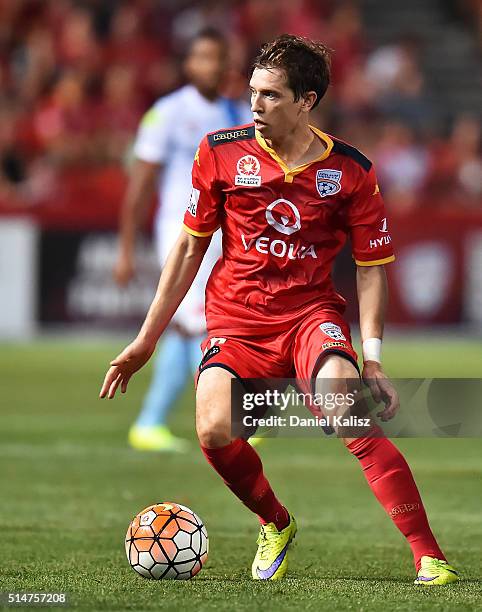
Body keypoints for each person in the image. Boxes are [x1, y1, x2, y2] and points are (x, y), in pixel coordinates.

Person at [101, 35, 459, 585]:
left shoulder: (352, 171)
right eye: (252, 93)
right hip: (237, 321)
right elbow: (190, 247)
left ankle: (428, 556)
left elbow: (371, 267)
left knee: (348, 414)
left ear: (306, 101)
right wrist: (147, 338)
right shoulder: (220, 151)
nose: (255, 106)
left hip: (310, 317)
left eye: (270, 96)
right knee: (215, 430)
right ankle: (277, 522)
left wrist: (375, 357)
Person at [113, 28, 251, 452]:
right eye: (203, 57)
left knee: (189, 325)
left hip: (226, 230)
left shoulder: (240, 112)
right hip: (182, 228)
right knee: (201, 321)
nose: (211, 66)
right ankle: (232, 417)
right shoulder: (167, 112)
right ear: (189, 65)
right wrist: (126, 247)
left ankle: (151, 422)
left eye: (218, 58)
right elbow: (140, 183)